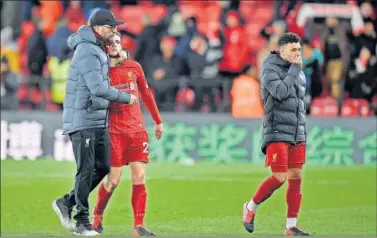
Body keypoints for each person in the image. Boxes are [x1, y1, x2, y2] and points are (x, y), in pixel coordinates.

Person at [52, 10, 138, 236]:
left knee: (104, 166)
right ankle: (81, 221)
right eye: (111, 27)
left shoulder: (97, 47)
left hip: (97, 118)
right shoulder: (87, 50)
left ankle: (66, 202)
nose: (114, 31)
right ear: (99, 29)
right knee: (86, 169)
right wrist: (126, 97)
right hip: (84, 118)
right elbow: (97, 88)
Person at [91, 32, 163, 236]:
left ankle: (138, 226)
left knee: (139, 174)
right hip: (114, 132)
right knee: (113, 180)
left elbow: (147, 95)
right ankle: (97, 214)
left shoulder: (134, 67)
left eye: (117, 42)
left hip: (137, 131)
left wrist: (157, 121)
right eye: (110, 43)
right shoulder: (101, 72)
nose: (114, 45)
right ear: (104, 47)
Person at [242, 33, 310, 236]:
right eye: (293, 50)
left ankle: (291, 226)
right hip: (277, 129)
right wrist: (294, 70)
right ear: (281, 51)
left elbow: (299, 102)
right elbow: (280, 92)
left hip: (297, 131)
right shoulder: (269, 68)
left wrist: (302, 129)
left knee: (296, 176)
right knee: (279, 177)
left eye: (299, 49)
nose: (298, 53)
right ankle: (251, 207)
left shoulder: (298, 71)